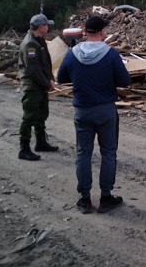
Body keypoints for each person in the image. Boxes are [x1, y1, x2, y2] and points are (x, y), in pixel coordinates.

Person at [57, 15, 131, 213]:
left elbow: (61, 77)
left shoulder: (73, 53)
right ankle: (105, 198)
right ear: (102, 32)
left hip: (83, 110)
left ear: (84, 30)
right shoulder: (111, 54)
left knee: (83, 153)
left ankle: (85, 199)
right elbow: (125, 81)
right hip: (105, 110)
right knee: (108, 152)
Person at [17, 14, 59, 161]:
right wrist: (46, 84)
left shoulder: (39, 40)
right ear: (41, 27)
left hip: (40, 85)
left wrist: (51, 79)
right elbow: (33, 69)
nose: (48, 27)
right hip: (32, 86)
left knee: (41, 114)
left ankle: (41, 142)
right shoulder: (30, 44)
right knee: (29, 117)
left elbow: (45, 64)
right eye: (47, 25)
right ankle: (24, 149)